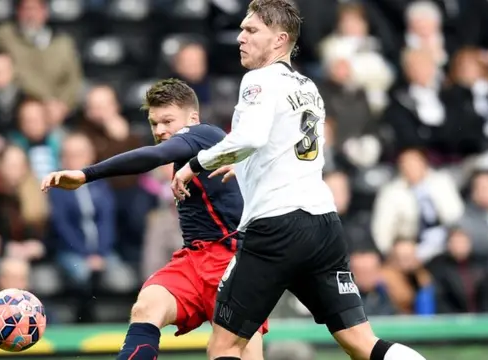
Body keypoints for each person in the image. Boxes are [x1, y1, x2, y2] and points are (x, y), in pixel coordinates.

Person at [170, 1, 428, 360]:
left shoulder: (258, 79)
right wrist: (242, 166)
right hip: (322, 224)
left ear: (279, 40)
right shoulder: (307, 86)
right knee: (361, 342)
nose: (241, 38)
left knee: (225, 344)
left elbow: (250, 137)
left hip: (276, 226)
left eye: (251, 30)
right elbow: (285, 149)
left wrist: (194, 164)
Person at [40, 78, 267, 360]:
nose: (159, 131)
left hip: (233, 262)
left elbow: (154, 156)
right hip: (194, 260)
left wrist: (86, 174)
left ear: (192, 118)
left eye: (167, 121)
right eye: (154, 123)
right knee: (146, 308)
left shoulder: (205, 134)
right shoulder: (188, 153)